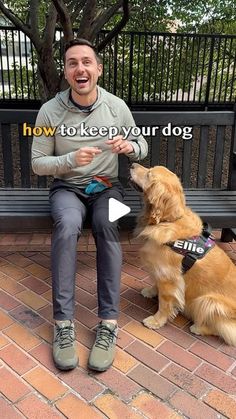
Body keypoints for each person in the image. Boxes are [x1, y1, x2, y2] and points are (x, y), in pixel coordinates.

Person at [31, 38, 148, 372]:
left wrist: (129, 146)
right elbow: (39, 163)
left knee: (109, 224)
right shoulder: (50, 111)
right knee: (68, 224)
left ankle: (108, 324)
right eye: (72, 63)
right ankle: (63, 325)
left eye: (86, 62)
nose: (80, 68)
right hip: (66, 189)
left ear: (98, 68)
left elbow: (142, 145)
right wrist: (70, 159)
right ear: (66, 73)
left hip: (108, 189)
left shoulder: (116, 106)